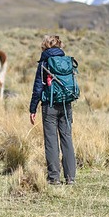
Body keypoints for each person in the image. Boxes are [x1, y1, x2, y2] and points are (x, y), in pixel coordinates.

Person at [29, 35, 76, 185]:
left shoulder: (45, 61)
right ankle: (70, 178)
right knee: (67, 139)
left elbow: (38, 87)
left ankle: (54, 178)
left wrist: (33, 108)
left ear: (45, 46)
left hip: (49, 105)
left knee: (51, 141)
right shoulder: (67, 61)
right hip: (66, 104)